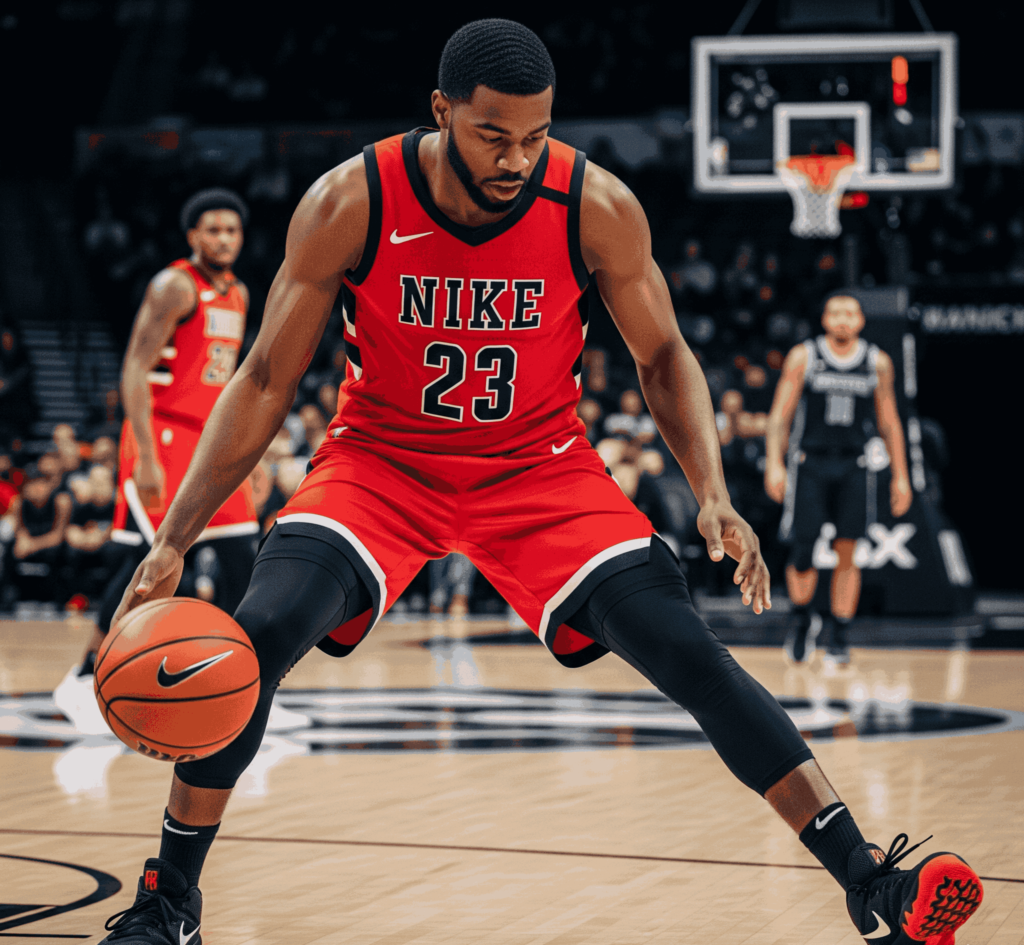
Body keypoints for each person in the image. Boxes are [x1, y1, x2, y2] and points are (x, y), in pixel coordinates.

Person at [97, 21, 981, 945]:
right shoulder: (348, 201)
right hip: (381, 462)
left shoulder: (592, 203)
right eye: (493, 136)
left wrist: (711, 490)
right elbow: (268, 380)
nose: (519, 156)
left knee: (686, 648)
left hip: (539, 467)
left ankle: (871, 881)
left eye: (536, 134)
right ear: (441, 113)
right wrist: (172, 538)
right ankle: (171, 900)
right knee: (262, 629)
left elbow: (664, 353)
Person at [53, 189, 268, 733]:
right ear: (192, 236)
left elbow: (229, 386)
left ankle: (244, 689)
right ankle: (82, 678)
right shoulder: (174, 285)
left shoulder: (240, 293)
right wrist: (144, 456)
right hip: (164, 436)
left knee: (246, 560)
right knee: (145, 566)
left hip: (211, 440)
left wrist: (251, 450)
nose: (223, 239)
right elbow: (133, 370)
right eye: (212, 230)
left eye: (231, 230)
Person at [765, 293, 913, 665]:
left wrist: (901, 476)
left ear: (861, 321)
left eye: (850, 313)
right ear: (825, 319)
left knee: (849, 551)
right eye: (835, 312)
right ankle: (801, 619)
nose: (843, 319)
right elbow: (780, 416)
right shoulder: (805, 356)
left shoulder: (876, 361)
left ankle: (840, 632)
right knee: (803, 549)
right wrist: (774, 464)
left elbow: (890, 421)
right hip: (809, 462)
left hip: (854, 464)